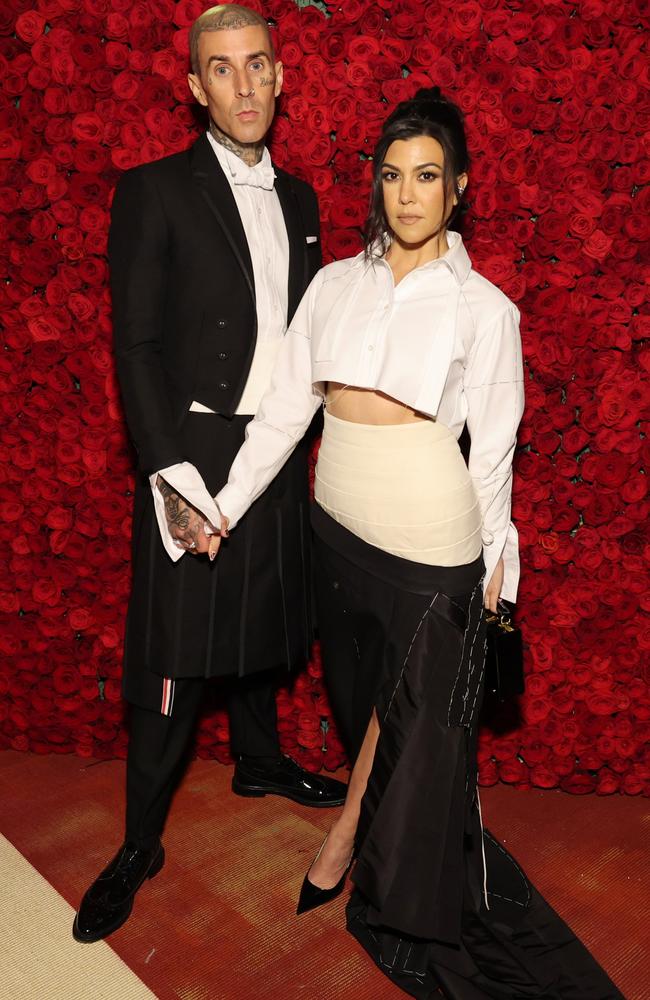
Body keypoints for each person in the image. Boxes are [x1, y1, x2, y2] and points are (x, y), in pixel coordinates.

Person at [211, 89, 623, 998]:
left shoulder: (486, 309)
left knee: (415, 729)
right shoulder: (333, 285)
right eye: (392, 175)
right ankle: (352, 827)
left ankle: (354, 848)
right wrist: (228, 505)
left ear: (458, 188)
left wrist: (494, 572)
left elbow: (496, 456)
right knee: (368, 710)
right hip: (337, 527)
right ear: (377, 185)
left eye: (427, 176)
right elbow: (286, 412)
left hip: (432, 540)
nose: (407, 194)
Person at [72, 4, 346, 946]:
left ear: (279, 75)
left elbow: (307, 339)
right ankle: (138, 842)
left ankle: (259, 762)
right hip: (192, 451)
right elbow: (136, 346)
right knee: (174, 654)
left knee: (267, 618)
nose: (243, 85)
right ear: (194, 87)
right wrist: (173, 476)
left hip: (278, 442)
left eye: (258, 65)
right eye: (221, 70)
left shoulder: (305, 200)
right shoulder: (152, 191)